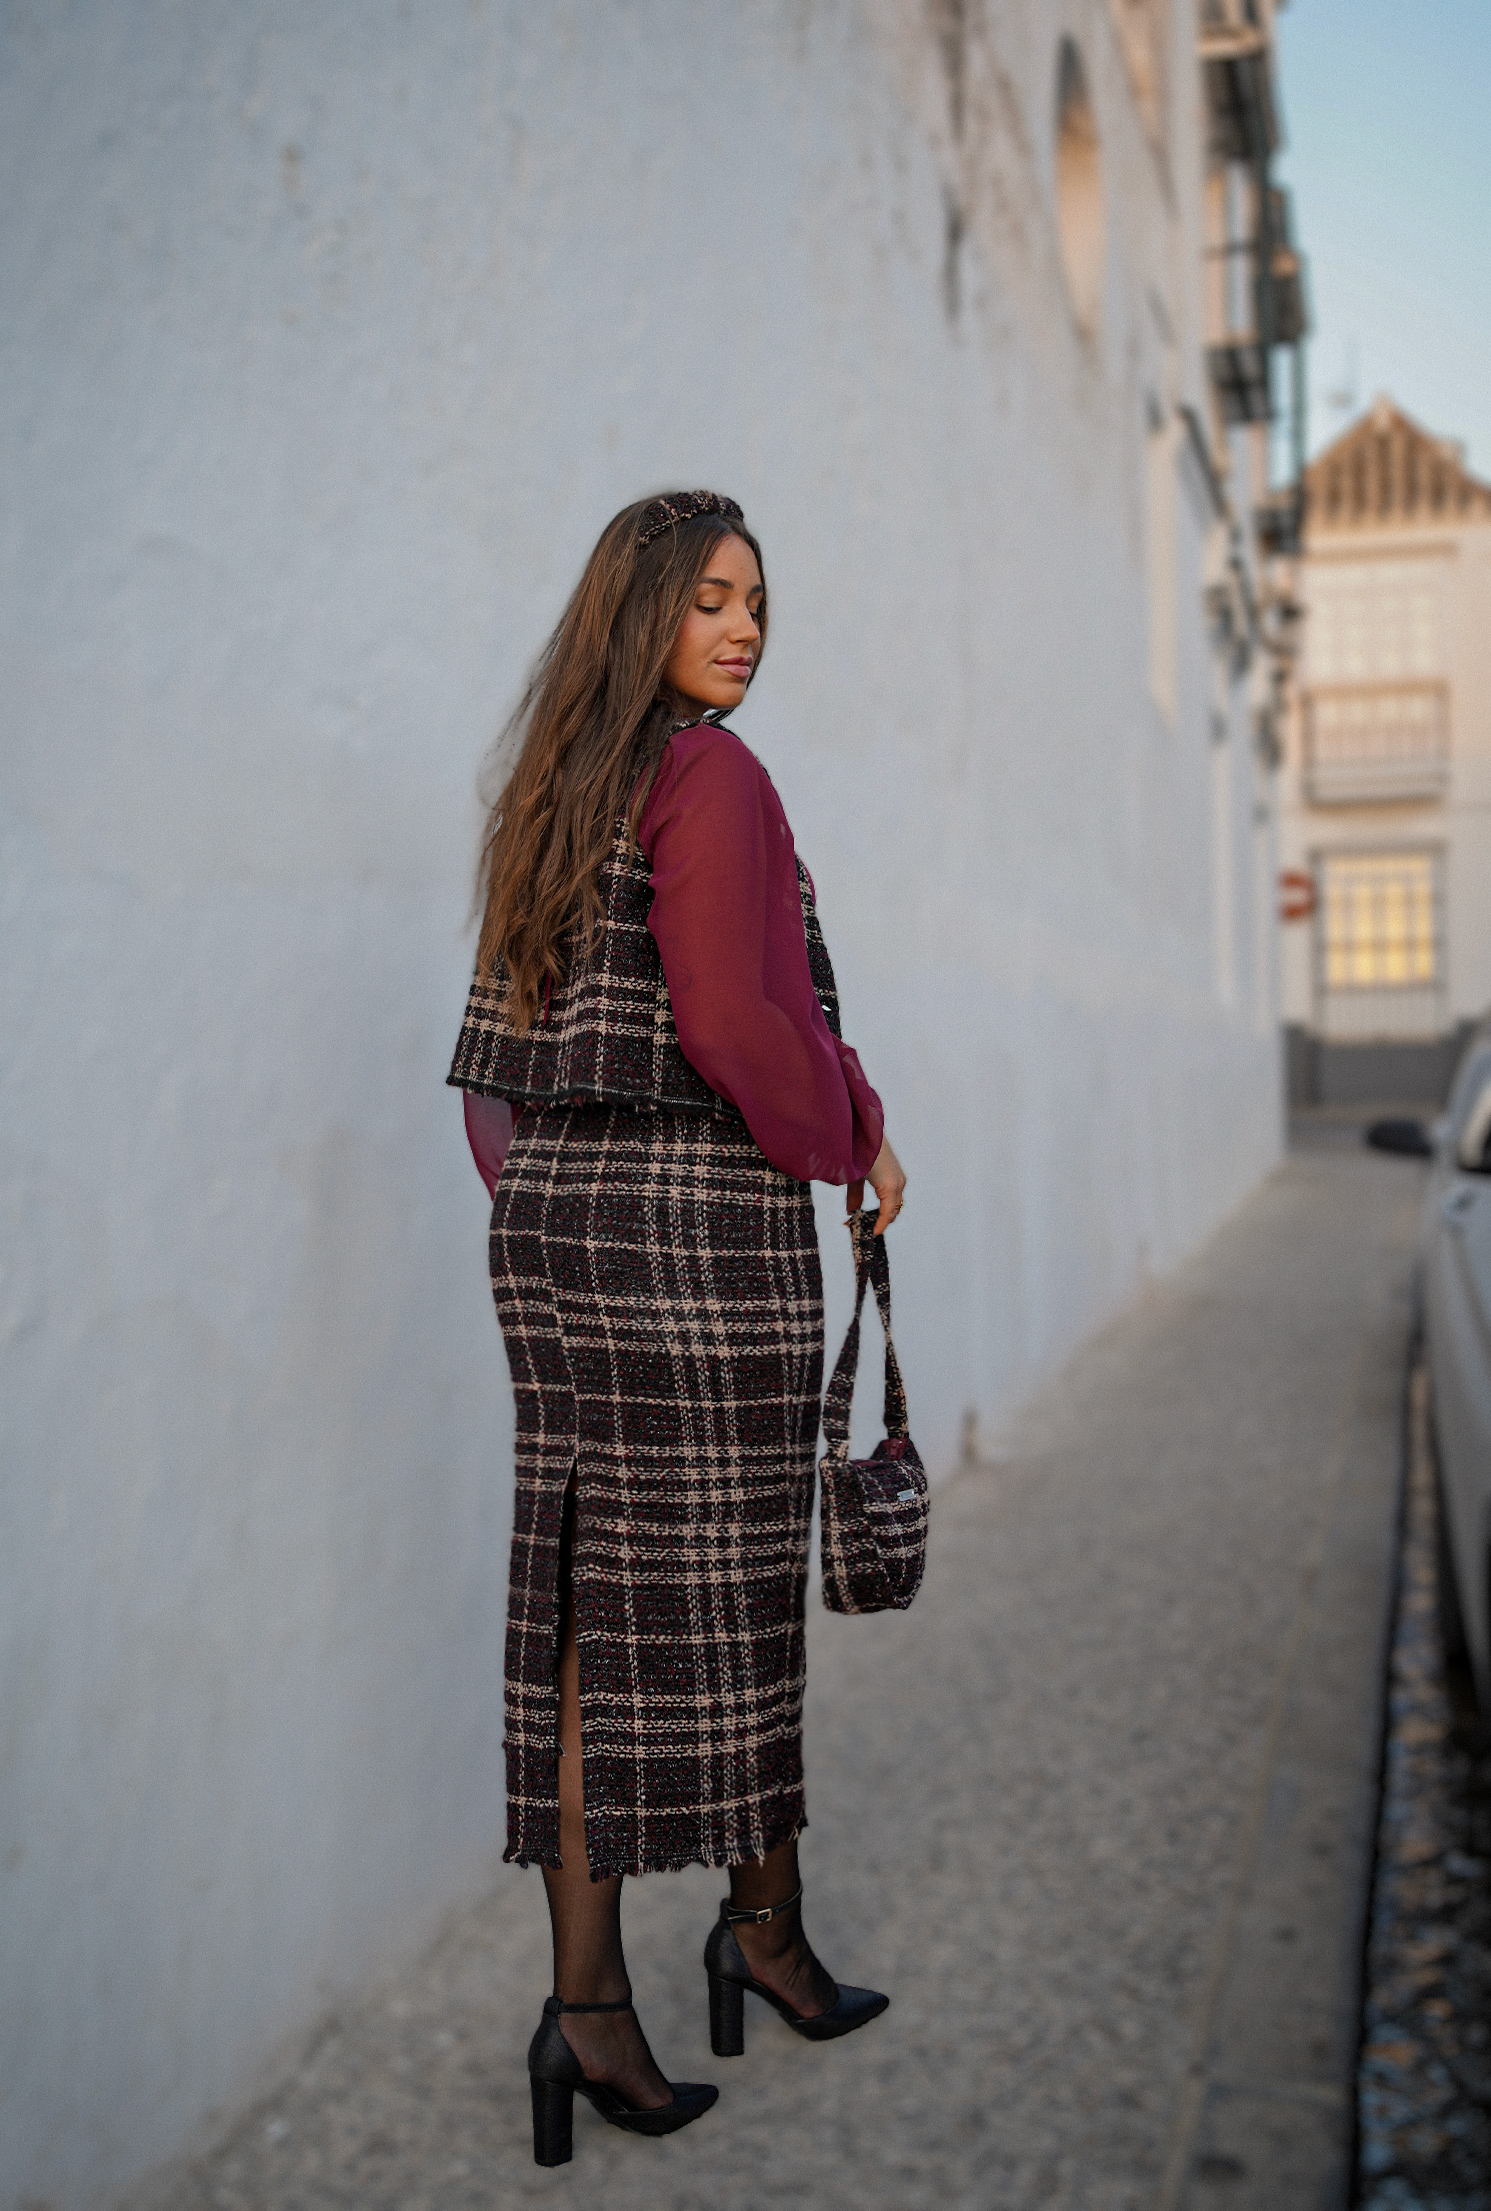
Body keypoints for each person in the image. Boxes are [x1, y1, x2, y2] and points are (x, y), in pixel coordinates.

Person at [448, 489, 907, 2167]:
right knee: (732, 1596)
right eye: (710, 598)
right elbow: (728, 1013)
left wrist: (557, 1211)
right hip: (696, 1245)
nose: (744, 629)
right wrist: (852, 1134)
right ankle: (756, 1936)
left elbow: (493, 1080)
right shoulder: (714, 776)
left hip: (559, 1243)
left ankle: (594, 2008)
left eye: (757, 602)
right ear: (639, 609)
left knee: (595, 1624)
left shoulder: (554, 787)